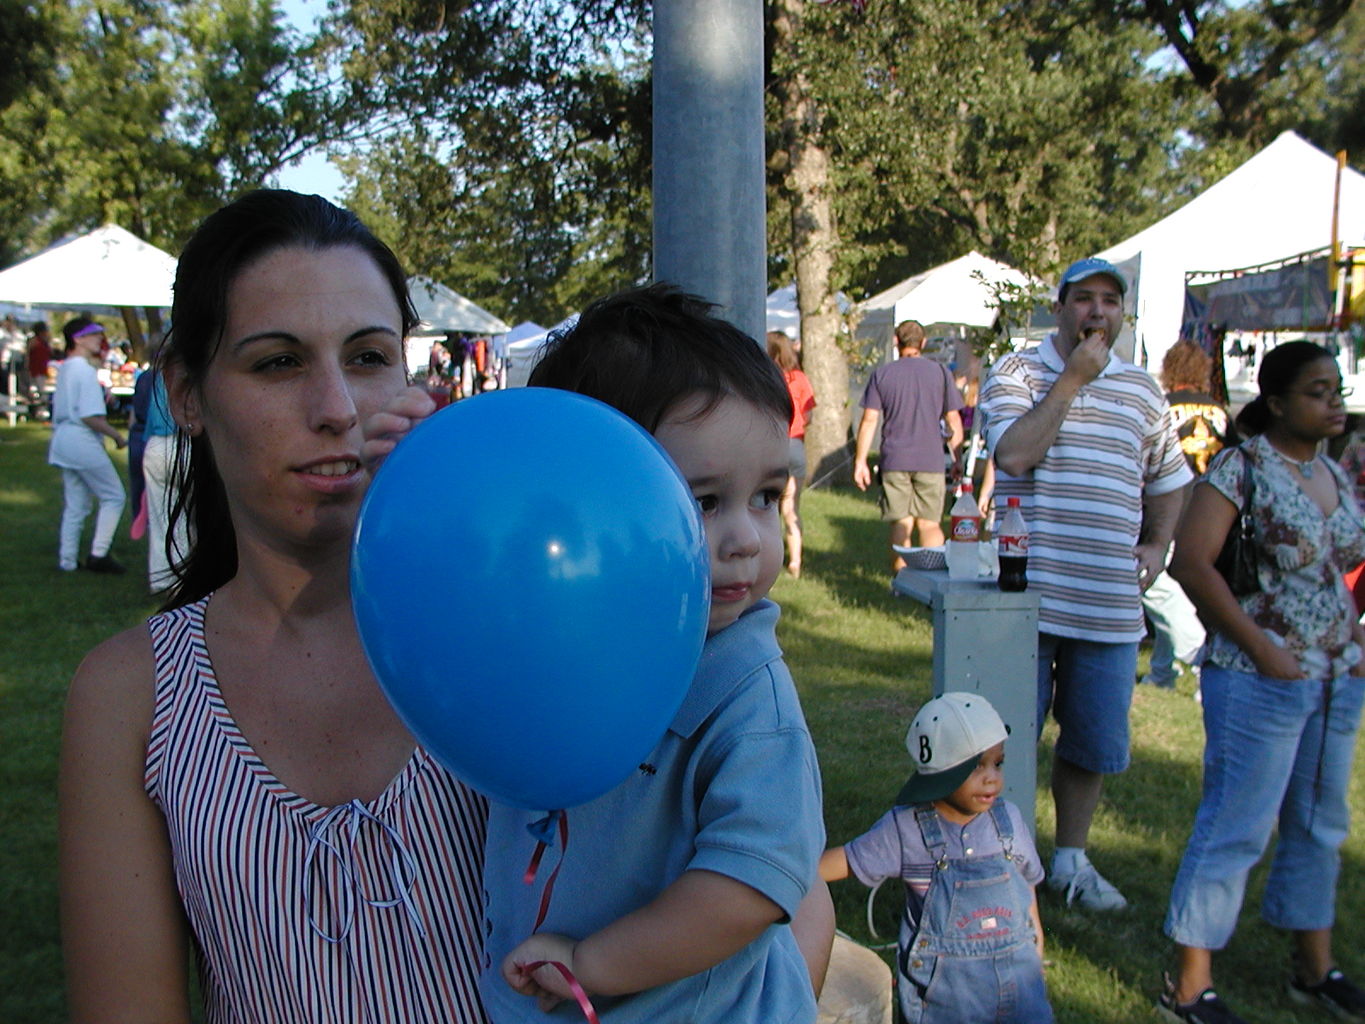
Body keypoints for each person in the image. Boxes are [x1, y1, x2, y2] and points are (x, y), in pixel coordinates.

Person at [59, 190, 490, 1022]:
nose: (335, 409)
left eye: (367, 357)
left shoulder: (504, 631)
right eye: (279, 362)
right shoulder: (132, 699)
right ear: (186, 393)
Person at [368, 284, 829, 1023]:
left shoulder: (746, 690)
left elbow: (750, 887)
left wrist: (592, 963)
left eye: (767, 496)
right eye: (703, 501)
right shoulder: (552, 631)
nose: (746, 537)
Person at [1159, 341, 1365, 1024]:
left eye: (1334, 388)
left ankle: (1313, 968)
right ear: (1275, 402)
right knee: (1236, 824)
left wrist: (1353, 637)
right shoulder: (1240, 469)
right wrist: (1258, 645)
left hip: (1333, 678)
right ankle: (1187, 987)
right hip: (1257, 677)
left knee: (1317, 823)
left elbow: (1333, 572)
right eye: (1315, 390)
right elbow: (1191, 563)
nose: (1332, 401)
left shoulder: (1333, 471)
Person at [979, 257, 1192, 911]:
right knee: (1001, 740)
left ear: (1121, 313)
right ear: (1059, 308)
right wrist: (1071, 381)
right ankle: (993, 861)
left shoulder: (1142, 391)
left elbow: (1170, 478)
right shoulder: (1017, 371)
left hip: (1106, 602)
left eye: (1108, 301)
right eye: (1082, 300)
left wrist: (1157, 541)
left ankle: (1069, 862)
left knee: (1091, 742)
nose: (1096, 312)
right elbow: (1013, 454)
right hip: (1025, 599)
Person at [820, 692, 1051, 1024]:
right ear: (942, 773)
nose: (992, 777)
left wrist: (1036, 940)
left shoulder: (1008, 822)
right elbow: (843, 861)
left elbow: (1026, 880)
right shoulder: (907, 829)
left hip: (1021, 992)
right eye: (976, 766)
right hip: (946, 1002)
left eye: (997, 763)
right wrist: (780, 879)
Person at [1139, 340, 1234, 691]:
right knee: (1178, 594)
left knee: (1159, 590)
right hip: (1210, 512)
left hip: (1170, 508)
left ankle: (1201, 658)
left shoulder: (1163, 408)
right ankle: (1162, 671)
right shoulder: (1220, 412)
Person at [853, 320, 965, 572]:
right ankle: (931, 579)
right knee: (929, 523)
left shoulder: (883, 374)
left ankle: (901, 580)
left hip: (895, 458)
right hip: (931, 459)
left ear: (896, 342)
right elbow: (953, 418)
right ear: (922, 343)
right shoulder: (940, 373)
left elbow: (869, 419)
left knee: (900, 522)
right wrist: (957, 458)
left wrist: (860, 461)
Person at [47, 318, 128, 573]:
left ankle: (67, 560)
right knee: (114, 495)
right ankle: (99, 554)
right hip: (80, 438)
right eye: (93, 335)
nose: (99, 339)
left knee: (76, 504)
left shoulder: (68, 367)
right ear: (78, 339)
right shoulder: (83, 370)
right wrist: (115, 435)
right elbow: (89, 416)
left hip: (63, 438)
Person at [768, 329, 816, 577]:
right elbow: (808, 415)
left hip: (771, 445)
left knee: (765, 506)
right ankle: (795, 561)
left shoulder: (766, 377)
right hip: (795, 445)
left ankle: (768, 559)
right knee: (791, 507)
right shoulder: (800, 378)